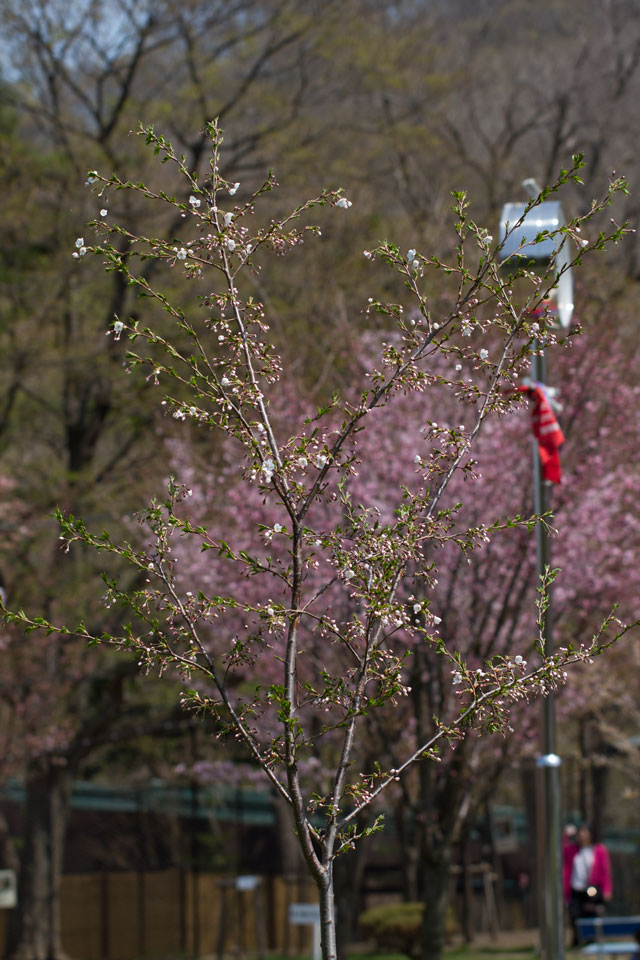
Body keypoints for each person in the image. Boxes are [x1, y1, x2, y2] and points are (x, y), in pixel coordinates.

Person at [563, 824, 612, 947]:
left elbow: (605, 871)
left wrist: (607, 889)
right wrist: (566, 836)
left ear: (591, 834)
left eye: (584, 832)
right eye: (580, 832)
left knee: (590, 912)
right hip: (575, 887)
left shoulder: (599, 849)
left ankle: (591, 941)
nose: (581, 835)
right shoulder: (572, 849)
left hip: (591, 888)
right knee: (574, 914)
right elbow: (560, 850)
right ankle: (577, 940)